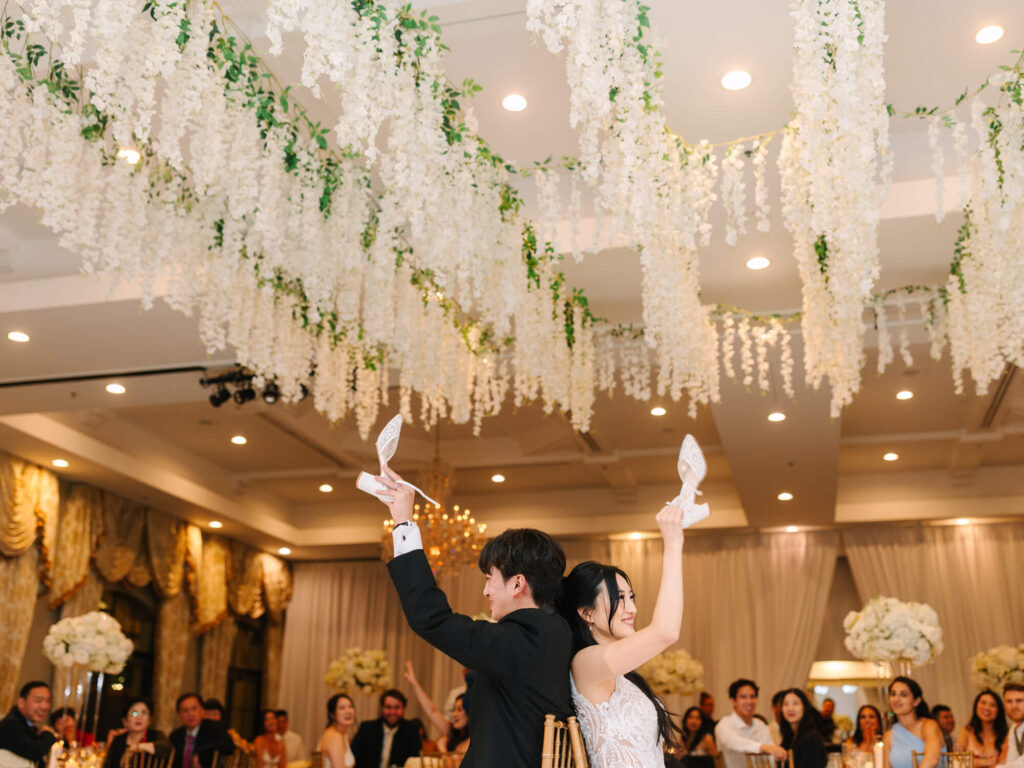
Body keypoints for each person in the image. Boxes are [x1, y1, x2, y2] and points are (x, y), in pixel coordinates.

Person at [376, 463, 573, 768]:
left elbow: (432, 619)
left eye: (488, 577)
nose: (485, 592)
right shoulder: (559, 631)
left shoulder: (522, 639)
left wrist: (403, 523)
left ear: (518, 583)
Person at [559, 500, 690, 768]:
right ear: (586, 613)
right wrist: (673, 544)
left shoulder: (624, 677)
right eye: (619, 599)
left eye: (632, 597)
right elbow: (665, 631)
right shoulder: (585, 662)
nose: (632, 608)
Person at [715, 679, 788, 768]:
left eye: (752, 697)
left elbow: (772, 758)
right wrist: (763, 747)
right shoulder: (725, 724)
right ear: (733, 701)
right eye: (743, 697)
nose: (749, 701)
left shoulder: (761, 725)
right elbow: (733, 742)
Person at [403, 662, 470, 758]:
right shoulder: (453, 732)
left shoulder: (472, 740)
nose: (454, 714)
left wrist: (442, 749)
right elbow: (432, 711)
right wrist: (414, 683)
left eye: (459, 710)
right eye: (454, 710)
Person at [349, 690, 421, 768]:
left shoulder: (411, 730)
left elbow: (415, 761)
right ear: (382, 708)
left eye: (397, 707)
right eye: (388, 707)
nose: (392, 712)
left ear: (404, 709)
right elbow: (354, 757)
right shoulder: (367, 728)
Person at [884, 677, 941, 768]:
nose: (896, 699)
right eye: (893, 694)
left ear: (916, 701)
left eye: (903, 695)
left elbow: (932, 759)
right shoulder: (889, 736)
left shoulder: (928, 725)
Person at [169, 693, 236, 768]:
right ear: (179, 715)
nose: (190, 714)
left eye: (194, 709)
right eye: (185, 710)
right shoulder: (175, 736)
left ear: (202, 711)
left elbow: (229, 745)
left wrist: (201, 754)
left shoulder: (215, 728)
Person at [0, 682, 57, 767]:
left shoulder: (26, 723)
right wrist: (48, 733)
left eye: (47, 701)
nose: (44, 706)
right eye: (38, 700)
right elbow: (35, 752)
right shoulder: (10, 725)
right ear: (21, 703)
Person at [103, 698, 172, 768]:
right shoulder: (118, 740)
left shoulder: (155, 736)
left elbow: (166, 748)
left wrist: (135, 747)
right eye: (134, 713)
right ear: (125, 721)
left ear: (149, 720)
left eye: (144, 713)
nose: (139, 717)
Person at [956, 690, 1008, 768]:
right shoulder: (967, 731)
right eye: (983, 703)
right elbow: (957, 761)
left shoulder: (1006, 734)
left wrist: (972, 762)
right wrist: (986, 762)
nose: (987, 708)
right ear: (976, 706)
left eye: (992, 705)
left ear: (999, 710)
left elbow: (1003, 764)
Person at [779, 689, 826, 768]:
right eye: (786, 704)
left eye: (795, 703)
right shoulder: (789, 737)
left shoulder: (812, 739)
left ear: (804, 707)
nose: (790, 708)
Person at [319, 695, 356, 768]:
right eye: (342, 708)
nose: (348, 711)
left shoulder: (343, 735)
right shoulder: (334, 737)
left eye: (350, 706)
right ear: (332, 715)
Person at [1001, 683, 1024, 768]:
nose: (1014, 706)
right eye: (1009, 701)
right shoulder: (1013, 729)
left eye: (1019, 700)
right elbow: (1011, 759)